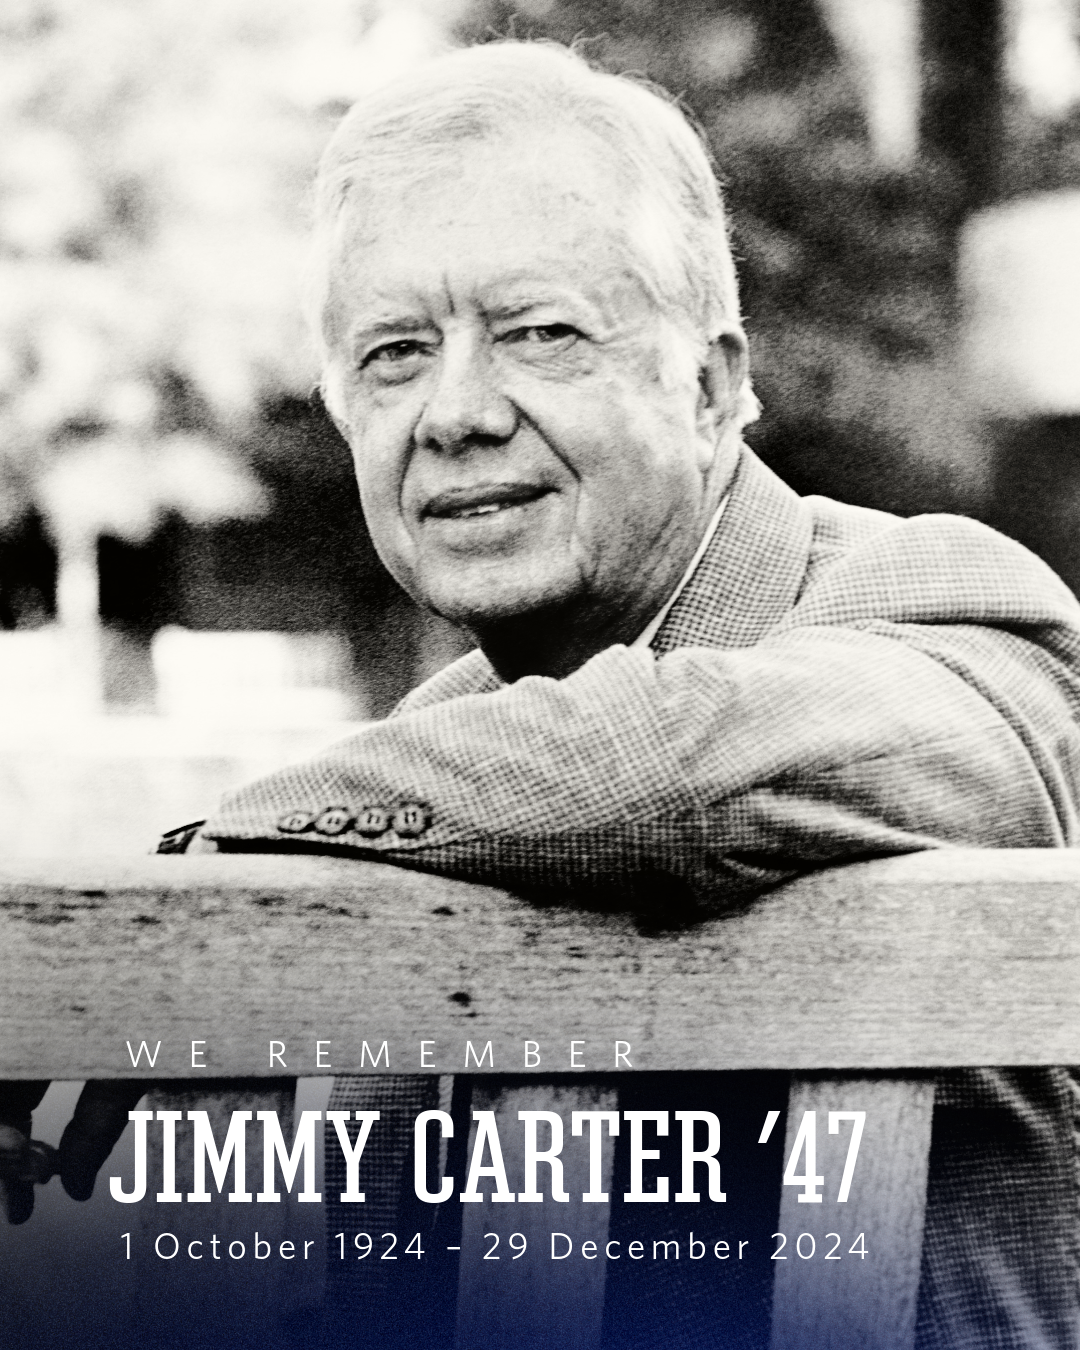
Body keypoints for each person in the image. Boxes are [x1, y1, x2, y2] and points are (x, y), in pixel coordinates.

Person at [7, 39, 1080, 1350]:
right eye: (395, 353)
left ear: (713, 384)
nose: (455, 412)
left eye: (540, 332)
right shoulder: (434, 760)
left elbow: (672, 760)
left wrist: (221, 853)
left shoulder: (941, 604)